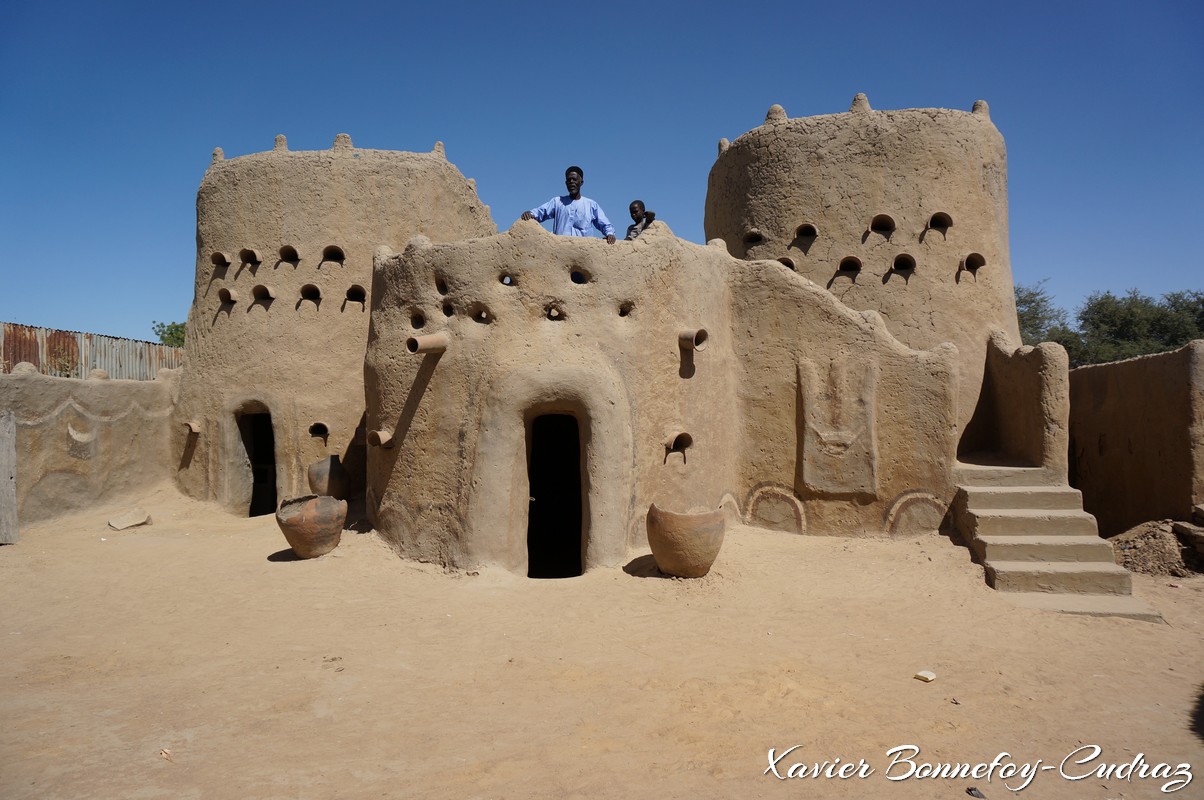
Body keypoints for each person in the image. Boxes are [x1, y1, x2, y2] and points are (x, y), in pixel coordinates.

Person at [521, 166, 616, 244]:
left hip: (583, 251)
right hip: (561, 250)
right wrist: (530, 214)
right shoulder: (557, 202)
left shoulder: (591, 205)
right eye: (568, 180)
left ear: (581, 182)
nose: (571, 182)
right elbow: (541, 212)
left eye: (574, 179)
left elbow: (604, 223)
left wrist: (610, 234)